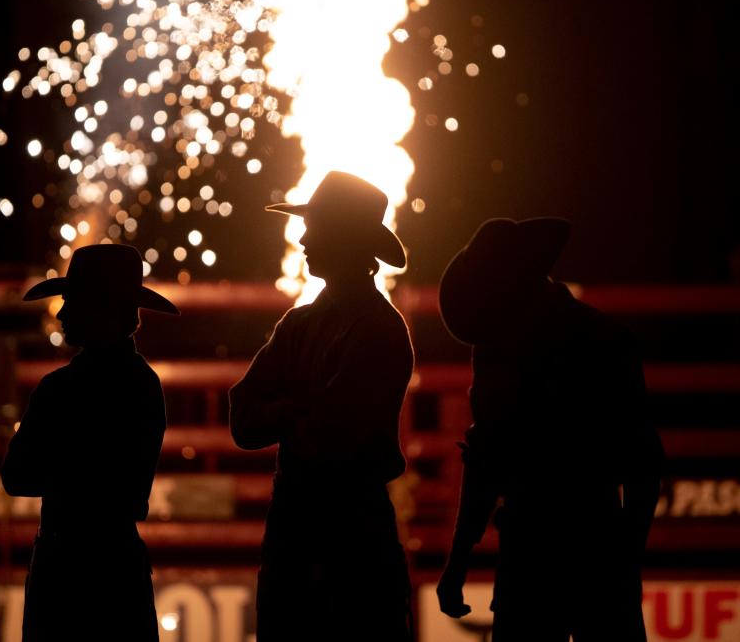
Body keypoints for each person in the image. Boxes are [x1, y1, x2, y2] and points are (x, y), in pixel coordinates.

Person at [435, 218, 664, 641]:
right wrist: (626, 563)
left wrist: (459, 560)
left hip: (531, 554)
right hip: (595, 546)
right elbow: (644, 466)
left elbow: (486, 459)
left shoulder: (498, 350)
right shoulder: (607, 339)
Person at [230, 171, 415, 641]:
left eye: (319, 226)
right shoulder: (345, 326)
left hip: (337, 533)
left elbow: (324, 431)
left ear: (347, 239)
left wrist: (287, 409)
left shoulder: (351, 329)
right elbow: (247, 418)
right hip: (336, 527)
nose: (305, 237)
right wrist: (303, 408)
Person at [2, 243, 179, 641]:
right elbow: (127, 491)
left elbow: (18, 476)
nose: (63, 313)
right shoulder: (143, 386)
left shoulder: (56, 388)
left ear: (102, 308)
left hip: (60, 568)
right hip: (116, 567)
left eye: (73, 302)